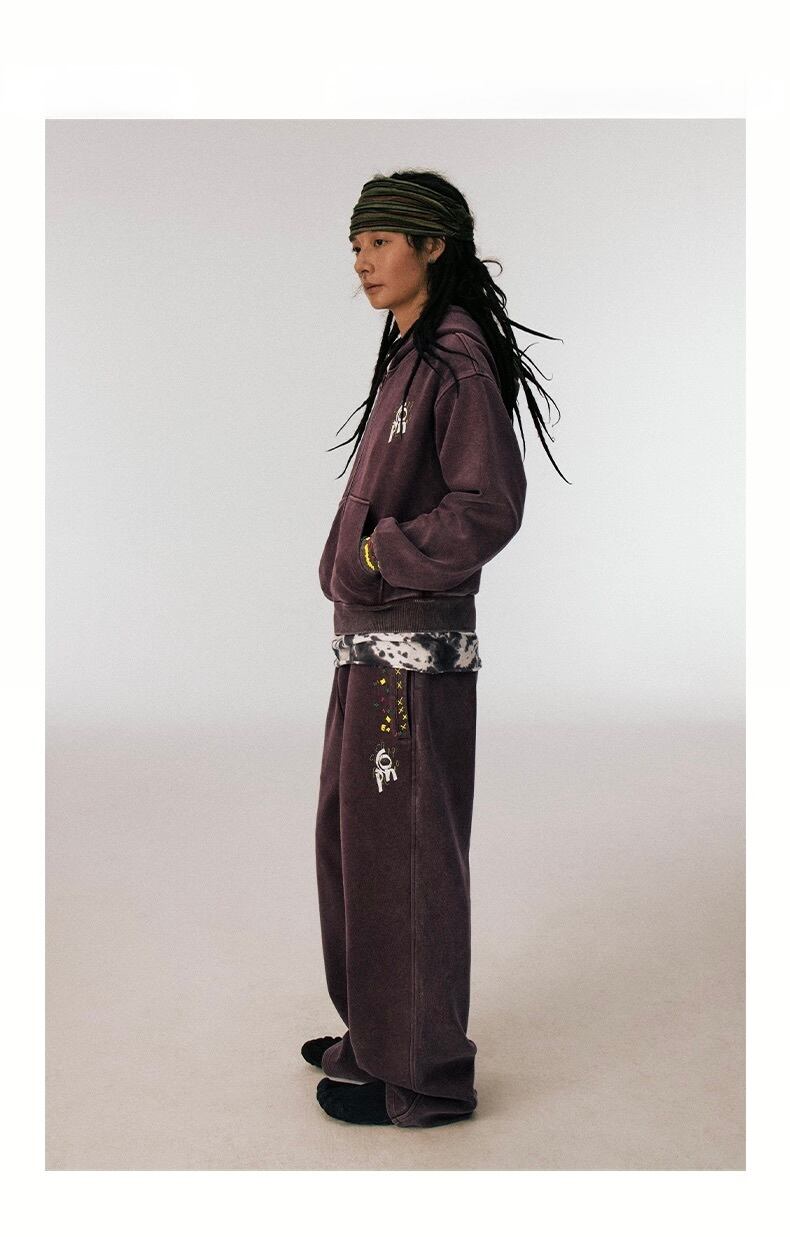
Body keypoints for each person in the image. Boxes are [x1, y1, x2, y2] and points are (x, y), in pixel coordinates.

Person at [307, 169, 568, 1129]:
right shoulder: (410, 355)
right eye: (356, 244)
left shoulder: (456, 359)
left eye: (381, 240)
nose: (363, 261)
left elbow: (488, 506)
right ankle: (376, 1035)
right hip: (371, 644)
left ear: (432, 246)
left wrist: (383, 554)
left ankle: (424, 1074)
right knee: (352, 844)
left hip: (412, 656)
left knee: (406, 855)